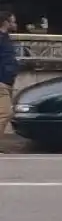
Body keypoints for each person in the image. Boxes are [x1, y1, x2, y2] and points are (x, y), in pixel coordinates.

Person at [0, 10, 15, 141]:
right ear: (6, 22)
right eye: (13, 21)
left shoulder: (6, 37)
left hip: (7, 82)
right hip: (1, 82)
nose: (15, 23)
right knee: (5, 113)